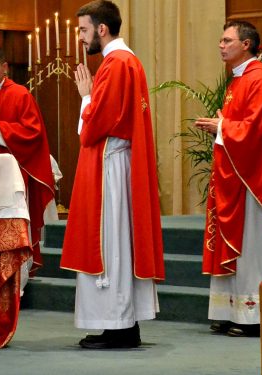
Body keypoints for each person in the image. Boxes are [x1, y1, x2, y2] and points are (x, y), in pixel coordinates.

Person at [60, 0, 165, 349]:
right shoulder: (125, 61)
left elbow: (97, 125)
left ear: (101, 29)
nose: (81, 37)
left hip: (110, 163)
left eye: (83, 30)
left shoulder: (117, 63)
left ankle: (119, 325)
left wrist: (86, 96)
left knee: (110, 242)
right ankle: (120, 324)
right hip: (115, 162)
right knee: (117, 240)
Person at [194, 21, 262, 338]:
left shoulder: (261, 81)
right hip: (233, 175)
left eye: (227, 40)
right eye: (220, 39)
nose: (220, 45)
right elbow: (237, 123)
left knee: (252, 246)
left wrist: (221, 128)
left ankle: (255, 316)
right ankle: (229, 309)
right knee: (233, 245)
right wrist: (223, 126)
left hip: (253, 181)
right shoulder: (238, 81)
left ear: (246, 44)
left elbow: (259, 131)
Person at [0, 44, 55, 271]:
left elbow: (33, 132)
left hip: (13, 174)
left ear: (5, 67)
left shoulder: (20, 94)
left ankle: (18, 272)